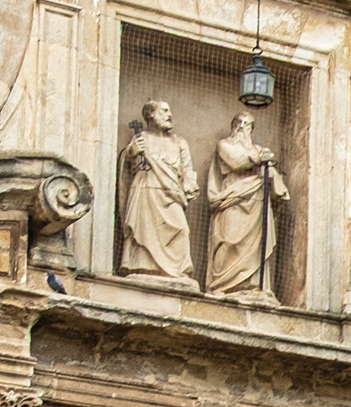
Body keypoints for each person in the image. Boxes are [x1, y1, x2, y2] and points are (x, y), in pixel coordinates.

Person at [205, 111, 289, 297]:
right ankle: (223, 285)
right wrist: (260, 159)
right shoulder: (225, 145)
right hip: (232, 199)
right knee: (229, 239)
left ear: (252, 129)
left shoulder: (258, 150)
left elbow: (271, 173)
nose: (242, 127)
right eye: (239, 123)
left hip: (256, 202)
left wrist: (272, 174)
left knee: (256, 246)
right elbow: (236, 162)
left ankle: (252, 286)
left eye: (247, 124)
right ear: (233, 126)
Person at [117, 100, 198, 281]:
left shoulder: (179, 142)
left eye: (169, 111)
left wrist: (189, 184)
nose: (170, 115)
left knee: (182, 230)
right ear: (151, 115)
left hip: (171, 193)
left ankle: (178, 271)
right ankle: (141, 267)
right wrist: (131, 152)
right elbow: (130, 168)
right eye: (164, 111)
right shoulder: (141, 139)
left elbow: (187, 169)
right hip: (146, 190)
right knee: (143, 229)